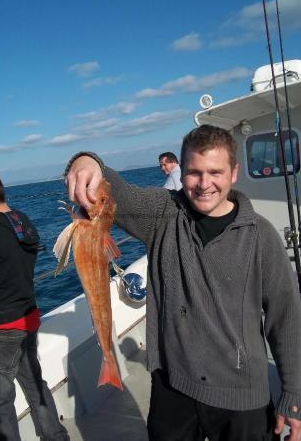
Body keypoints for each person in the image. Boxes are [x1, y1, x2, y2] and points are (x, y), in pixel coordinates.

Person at [63, 125, 301, 441]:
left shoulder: (261, 235)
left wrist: (294, 393)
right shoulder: (164, 213)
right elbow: (120, 192)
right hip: (172, 386)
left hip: (243, 395)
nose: (204, 184)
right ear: (182, 172)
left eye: (215, 172)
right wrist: (85, 160)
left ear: (234, 173)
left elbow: (285, 317)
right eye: (194, 172)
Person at [0, 174, 70, 441]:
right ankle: (56, 437)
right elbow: (6, 266)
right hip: (28, 318)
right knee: (35, 384)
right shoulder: (24, 222)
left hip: (0, 329)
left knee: (0, 400)